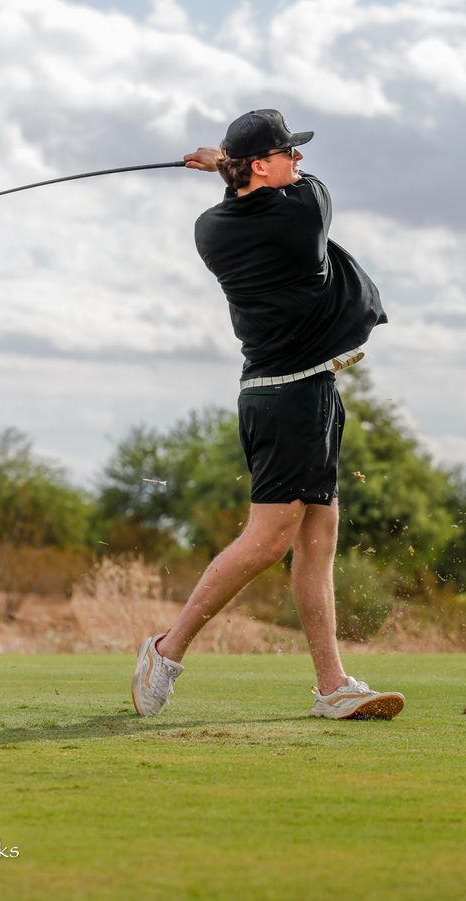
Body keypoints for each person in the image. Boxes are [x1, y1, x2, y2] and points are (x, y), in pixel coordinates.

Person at [131, 109, 405, 721]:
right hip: (288, 398)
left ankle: (332, 685)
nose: (299, 161)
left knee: (318, 538)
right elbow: (311, 189)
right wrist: (220, 164)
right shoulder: (302, 213)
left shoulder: (210, 228)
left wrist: (223, 168)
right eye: (289, 152)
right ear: (259, 165)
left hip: (301, 391)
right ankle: (165, 651)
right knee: (268, 540)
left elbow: (248, 197)